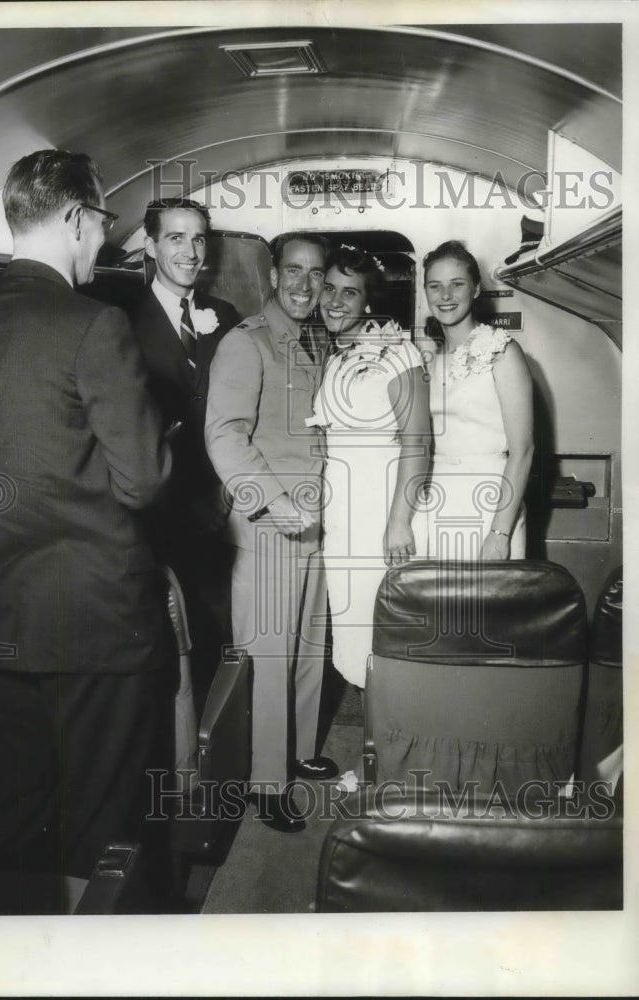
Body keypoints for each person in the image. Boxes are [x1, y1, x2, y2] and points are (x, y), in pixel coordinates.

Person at [0, 150, 171, 908]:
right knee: (103, 823)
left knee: (16, 812)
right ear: (76, 218)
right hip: (92, 624)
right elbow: (142, 481)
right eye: (102, 223)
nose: (103, 242)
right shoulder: (95, 324)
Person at [205, 233, 337, 832]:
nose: (304, 285)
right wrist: (275, 504)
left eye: (315, 273)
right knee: (271, 652)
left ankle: (300, 751)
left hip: (309, 523)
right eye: (293, 271)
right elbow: (225, 436)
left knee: (310, 646)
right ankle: (266, 783)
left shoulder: (312, 341)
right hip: (268, 525)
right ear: (273, 276)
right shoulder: (246, 343)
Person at [133, 199, 240, 722]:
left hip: (220, 506)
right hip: (154, 513)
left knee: (220, 637)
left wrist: (224, 494)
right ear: (150, 246)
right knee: (164, 647)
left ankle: (215, 764)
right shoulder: (119, 321)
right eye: (176, 238)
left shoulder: (228, 318)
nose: (190, 251)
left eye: (198, 239)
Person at [310, 245, 431, 690]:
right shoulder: (334, 355)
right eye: (329, 289)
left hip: (381, 514)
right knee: (354, 638)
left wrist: (399, 523)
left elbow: (419, 443)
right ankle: (374, 753)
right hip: (341, 518)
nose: (335, 301)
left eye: (350, 292)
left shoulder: (397, 351)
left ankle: (396, 755)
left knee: (387, 641)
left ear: (368, 302)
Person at [410, 240, 533, 561]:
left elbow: (524, 450)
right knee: (444, 608)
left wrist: (499, 534)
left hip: (490, 503)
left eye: (457, 285)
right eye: (435, 286)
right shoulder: (429, 359)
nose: (445, 296)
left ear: (476, 289)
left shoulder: (502, 351)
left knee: (491, 608)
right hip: (437, 499)